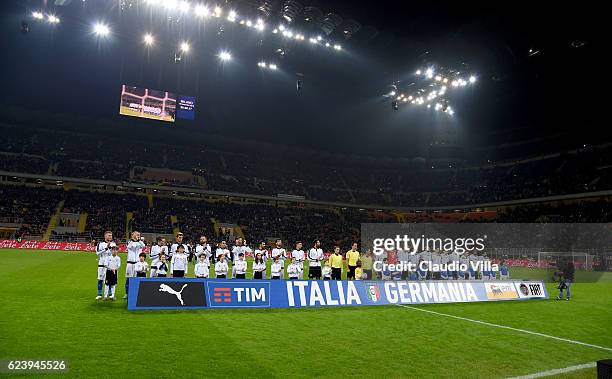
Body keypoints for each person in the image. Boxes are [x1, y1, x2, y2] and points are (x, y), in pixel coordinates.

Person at [125, 231, 145, 298]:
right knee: (128, 278)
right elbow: (129, 247)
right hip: (130, 263)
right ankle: (127, 293)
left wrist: (138, 240)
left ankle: (135, 292)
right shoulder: (129, 242)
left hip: (137, 263)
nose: (137, 236)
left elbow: (143, 246)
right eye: (136, 235)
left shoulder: (140, 243)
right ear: (132, 235)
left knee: (136, 278)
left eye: (138, 235)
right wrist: (133, 239)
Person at [95, 231, 113, 300]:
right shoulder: (100, 244)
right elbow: (97, 253)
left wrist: (110, 248)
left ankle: (110, 293)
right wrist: (105, 249)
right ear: (105, 236)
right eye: (108, 235)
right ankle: (99, 294)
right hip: (101, 264)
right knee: (100, 279)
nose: (110, 237)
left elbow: (114, 253)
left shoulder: (113, 244)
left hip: (109, 265)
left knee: (109, 280)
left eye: (111, 235)